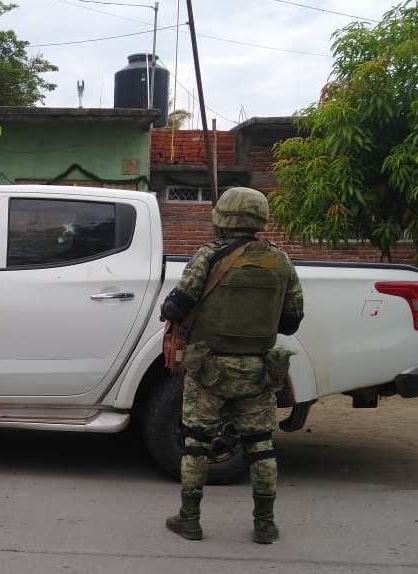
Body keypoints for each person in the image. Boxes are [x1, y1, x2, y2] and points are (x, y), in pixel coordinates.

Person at [160, 187, 304, 544]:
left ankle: (189, 520)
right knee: (261, 447)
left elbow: (175, 307)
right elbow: (291, 321)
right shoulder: (281, 261)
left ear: (221, 218)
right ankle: (265, 524)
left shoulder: (207, 256)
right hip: (258, 370)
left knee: (195, 444)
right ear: (260, 220)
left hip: (208, 368)